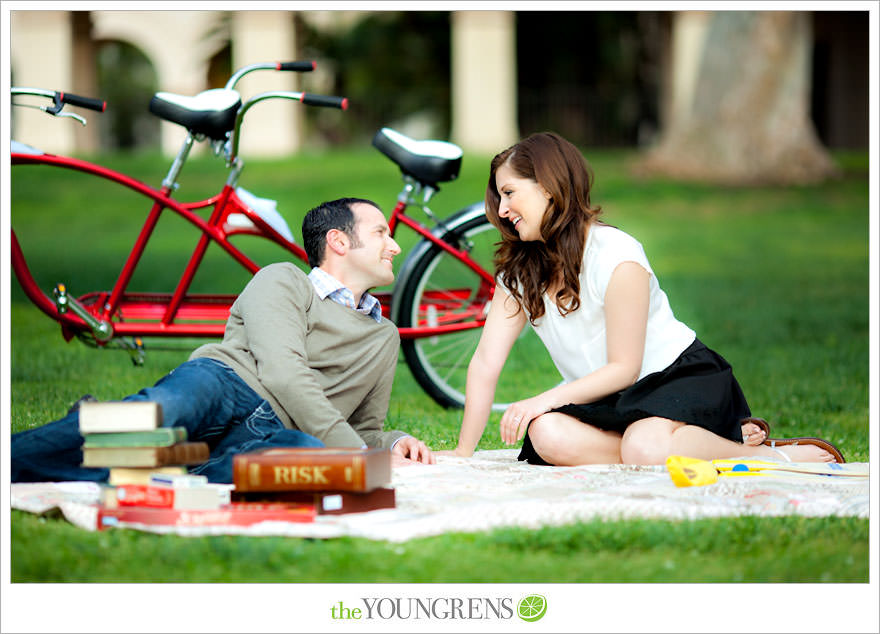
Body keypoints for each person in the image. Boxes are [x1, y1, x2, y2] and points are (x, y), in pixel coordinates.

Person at [444, 133, 844, 466]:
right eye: (498, 197)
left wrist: (541, 399)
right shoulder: (519, 273)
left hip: (673, 379)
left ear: (549, 185)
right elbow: (484, 364)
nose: (502, 209)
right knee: (546, 433)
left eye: (510, 192)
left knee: (643, 443)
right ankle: (686, 447)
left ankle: (765, 457)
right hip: (609, 401)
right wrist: (463, 453)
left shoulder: (617, 256)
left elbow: (624, 368)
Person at [12, 197, 435, 483]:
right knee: (151, 422)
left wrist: (393, 442)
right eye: (381, 233)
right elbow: (284, 374)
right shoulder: (283, 280)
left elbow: (361, 428)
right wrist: (359, 453)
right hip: (223, 386)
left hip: (276, 433)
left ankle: (155, 460)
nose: (395, 246)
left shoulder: (384, 336)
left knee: (302, 457)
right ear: (339, 241)